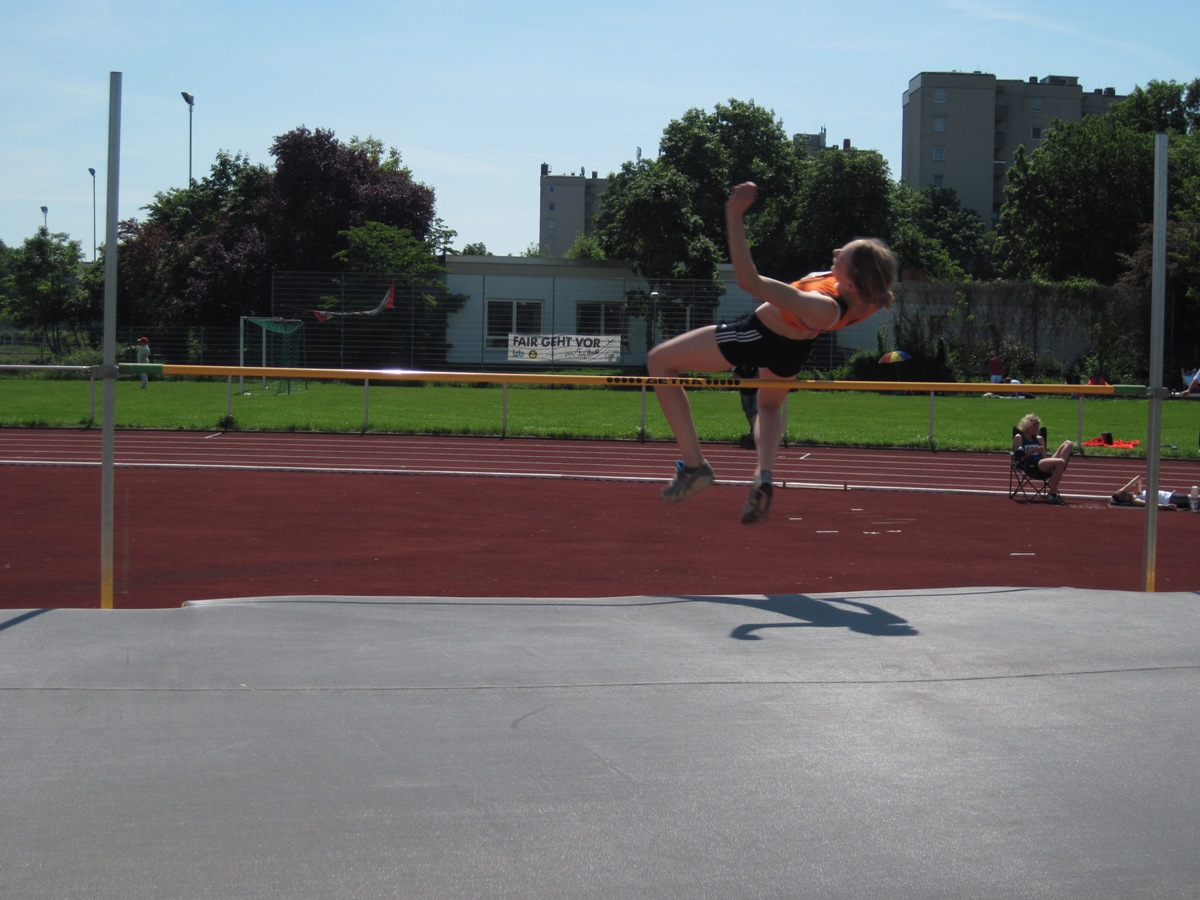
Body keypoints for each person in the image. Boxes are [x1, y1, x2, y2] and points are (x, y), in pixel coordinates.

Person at [647, 181, 898, 525]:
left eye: (843, 256)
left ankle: (694, 466)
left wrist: (734, 215)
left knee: (660, 361)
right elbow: (869, 272)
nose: (836, 252)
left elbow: (749, 282)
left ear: (852, 283)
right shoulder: (870, 294)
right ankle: (763, 473)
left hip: (758, 335)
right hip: (794, 348)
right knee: (767, 405)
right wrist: (852, 260)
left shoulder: (824, 306)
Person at [1012, 412, 1073, 505]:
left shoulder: (1039, 439)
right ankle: (1052, 494)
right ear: (1026, 425)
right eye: (1033, 427)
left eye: (1037, 427)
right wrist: (1033, 450)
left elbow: (1044, 457)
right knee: (1060, 462)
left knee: (1069, 443)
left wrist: (1046, 457)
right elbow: (1019, 458)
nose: (1035, 429)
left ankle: (1058, 467)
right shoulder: (1019, 437)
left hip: (1041, 463)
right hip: (1030, 465)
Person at [1110, 475, 1191, 509]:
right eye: (1123, 497)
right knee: (1193, 498)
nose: (1126, 495)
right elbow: (1149, 505)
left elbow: (1139, 478)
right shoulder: (1135, 500)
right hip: (1169, 500)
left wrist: (1125, 487)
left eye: (1124, 493)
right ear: (1124, 501)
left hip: (1170, 495)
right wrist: (1165, 506)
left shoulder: (1137, 493)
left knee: (1193, 499)